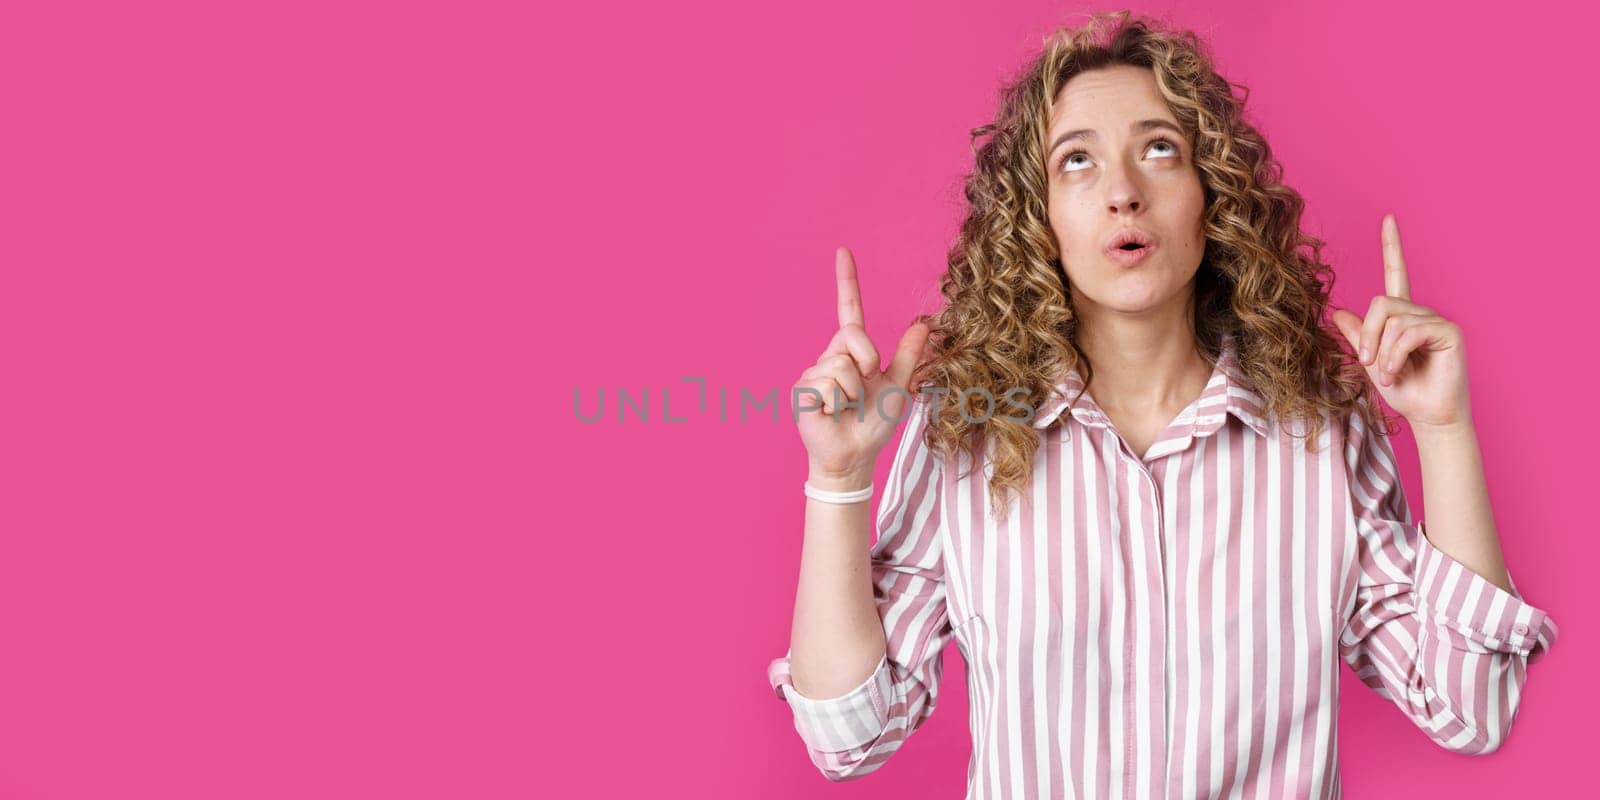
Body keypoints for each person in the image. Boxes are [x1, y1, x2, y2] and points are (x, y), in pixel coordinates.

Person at [766, 10, 1558, 800]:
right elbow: (849, 738)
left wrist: (1443, 429)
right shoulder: (965, 427)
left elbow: (1471, 708)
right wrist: (837, 479)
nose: (1123, 193)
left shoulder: (1321, 423)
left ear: (1210, 193)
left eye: (1159, 149)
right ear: (1038, 220)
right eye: (1077, 161)